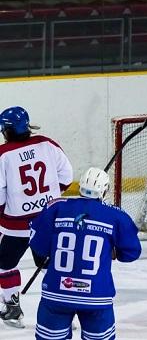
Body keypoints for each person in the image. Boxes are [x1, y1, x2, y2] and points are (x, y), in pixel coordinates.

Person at [29, 167, 142, 339]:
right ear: (105, 190)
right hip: (96, 296)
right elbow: (131, 253)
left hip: (56, 293)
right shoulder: (116, 216)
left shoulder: (56, 207)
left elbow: (38, 245)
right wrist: (113, 252)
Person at [0, 106, 73, 328]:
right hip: (48, 222)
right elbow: (67, 176)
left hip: (17, 225)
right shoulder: (47, 144)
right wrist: (47, 201)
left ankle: (13, 310)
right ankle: (63, 314)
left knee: (5, 264)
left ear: (7, 130)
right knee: (54, 267)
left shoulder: (2, 155)